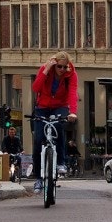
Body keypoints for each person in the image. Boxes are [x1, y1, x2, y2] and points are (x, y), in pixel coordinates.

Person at [31, 51, 78, 192]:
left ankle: (61, 163)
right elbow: (36, 88)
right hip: (42, 107)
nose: (62, 70)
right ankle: (38, 178)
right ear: (54, 64)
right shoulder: (45, 70)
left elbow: (72, 92)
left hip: (60, 106)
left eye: (65, 67)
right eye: (59, 66)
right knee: (38, 140)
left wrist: (72, 112)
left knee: (58, 129)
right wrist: (45, 70)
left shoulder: (71, 75)